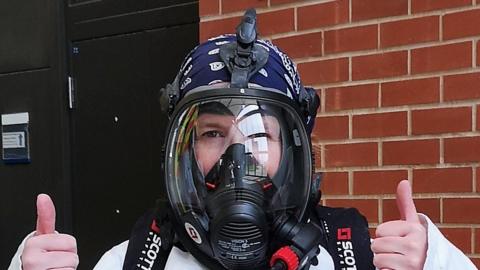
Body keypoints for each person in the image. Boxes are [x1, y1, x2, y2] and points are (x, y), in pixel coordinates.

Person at [9, 9, 477, 270]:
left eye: (259, 133)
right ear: (186, 149)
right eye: (213, 132)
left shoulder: (352, 257)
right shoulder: (134, 264)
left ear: (292, 149)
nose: (239, 157)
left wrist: (433, 262)